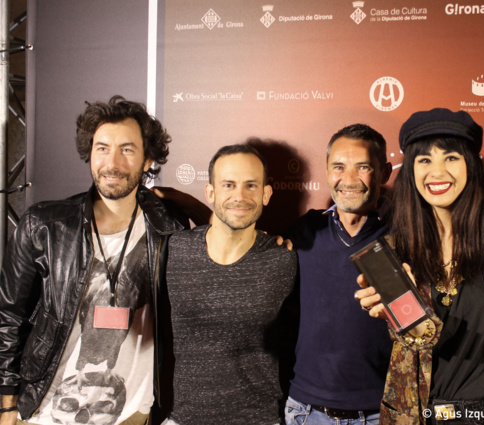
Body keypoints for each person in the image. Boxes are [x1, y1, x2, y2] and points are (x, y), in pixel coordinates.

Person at [0, 95, 186, 425]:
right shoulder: (43, 225)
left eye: (127, 149)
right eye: (102, 148)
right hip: (46, 411)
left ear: (148, 160)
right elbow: (8, 317)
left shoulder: (169, 229)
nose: (112, 162)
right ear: (90, 153)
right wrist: (7, 405)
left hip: (133, 414)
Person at [357, 109, 484, 424]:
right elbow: (425, 339)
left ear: (470, 166)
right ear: (410, 171)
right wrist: (403, 316)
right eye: (424, 160)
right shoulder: (394, 251)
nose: (437, 172)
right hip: (423, 415)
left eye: (450, 158)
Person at [161, 144, 297, 425]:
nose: (240, 196)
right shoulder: (175, 251)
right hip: (184, 418)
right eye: (229, 185)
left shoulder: (284, 260)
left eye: (251, 186)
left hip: (258, 419)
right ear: (211, 193)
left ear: (266, 194)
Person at [283, 124, 394, 425]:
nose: (349, 180)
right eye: (339, 167)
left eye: (363, 167)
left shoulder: (406, 235)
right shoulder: (304, 232)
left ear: (384, 172)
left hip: (382, 412)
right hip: (305, 411)